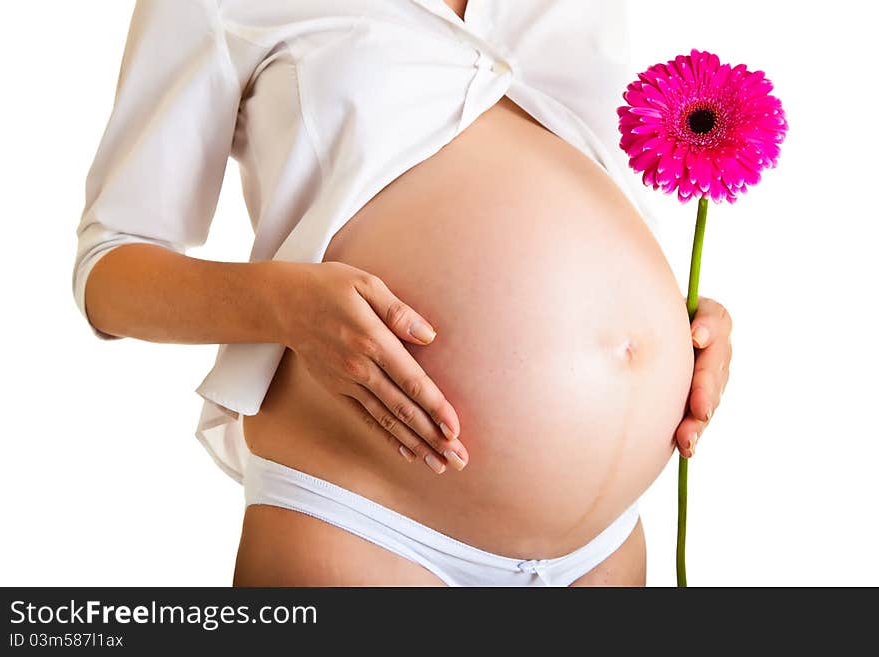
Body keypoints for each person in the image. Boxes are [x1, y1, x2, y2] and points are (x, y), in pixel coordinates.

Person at [73, 0, 733, 586]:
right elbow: (110, 268)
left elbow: (576, 193)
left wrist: (676, 328)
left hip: (608, 547)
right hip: (363, 521)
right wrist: (284, 303)